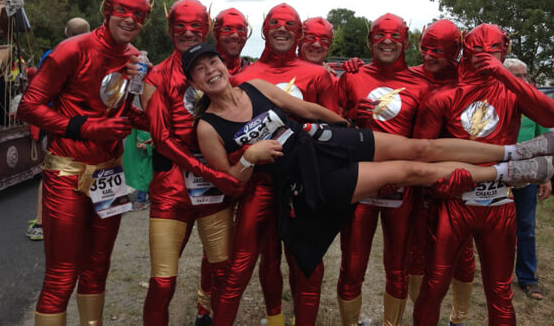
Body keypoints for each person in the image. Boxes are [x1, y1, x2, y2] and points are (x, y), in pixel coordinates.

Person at [183, 43, 553, 292]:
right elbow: (230, 183)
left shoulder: (255, 86)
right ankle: (510, 174)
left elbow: (307, 111)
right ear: (194, 81)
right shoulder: (208, 127)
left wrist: (343, 126)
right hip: (313, 179)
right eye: (200, 70)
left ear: (223, 64)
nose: (210, 70)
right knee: (407, 171)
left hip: (327, 140)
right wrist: (250, 156)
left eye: (212, 62)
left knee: (419, 148)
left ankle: (515, 151)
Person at [17, 0, 151, 326]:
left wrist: (155, 109)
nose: (131, 19)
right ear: (107, 10)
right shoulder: (71, 50)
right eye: (124, 10)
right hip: (67, 172)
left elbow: (123, 113)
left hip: (111, 174)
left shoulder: (134, 58)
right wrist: (87, 129)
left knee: (98, 269)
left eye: (139, 14)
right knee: (62, 275)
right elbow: (29, 107)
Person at [413, 23, 554, 325]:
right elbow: (421, 152)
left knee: (500, 292)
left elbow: (549, 116)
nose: (485, 56)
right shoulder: (443, 96)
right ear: (465, 49)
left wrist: (504, 75)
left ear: (505, 52)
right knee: (435, 285)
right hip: (452, 203)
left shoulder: (513, 93)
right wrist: (439, 186)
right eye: (477, 49)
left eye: (494, 51)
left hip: (498, 204)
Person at [221, 3, 337, 326]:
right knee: (254, 261)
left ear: (298, 32)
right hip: (259, 184)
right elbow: (232, 136)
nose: (282, 28)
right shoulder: (243, 77)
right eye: (275, 23)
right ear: (264, 29)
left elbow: (334, 133)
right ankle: (274, 319)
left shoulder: (318, 75)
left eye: (289, 24)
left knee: (306, 264)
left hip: (302, 182)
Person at [141, 0, 244, 326]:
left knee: (222, 272)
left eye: (195, 26)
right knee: (162, 281)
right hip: (172, 189)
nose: (187, 32)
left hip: (213, 191)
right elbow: (161, 138)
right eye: (180, 26)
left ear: (207, 28)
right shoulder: (157, 76)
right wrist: (209, 172)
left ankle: (208, 313)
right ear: (170, 28)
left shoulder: (222, 72)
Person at [336, 13, 431, 325]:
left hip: (403, 188)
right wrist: (350, 114)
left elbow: (425, 139)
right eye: (380, 35)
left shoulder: (421, 83)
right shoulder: (351, 77)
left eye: (394, 36)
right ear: (370, 40)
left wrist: (400, 174)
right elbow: (332, 132)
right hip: (360, 183)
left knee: (398, 266)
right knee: (352, 266)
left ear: (405, 41)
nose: (387, 41)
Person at [409, 19, 476, 326]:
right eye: (424, 48)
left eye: (437, 49)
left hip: (461, 179)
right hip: (418, 176)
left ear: (455, 50)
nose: (427, 55)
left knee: (463, 254)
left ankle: (459, 319)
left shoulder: (472, 78)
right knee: (416, 252)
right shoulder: (411, 77)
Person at [195, 7, 252, 325]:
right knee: (212, 249)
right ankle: (205, 307)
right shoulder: (196, 70)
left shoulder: (253, 74)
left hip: (249, 173)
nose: (234, 35)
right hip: (205, 173)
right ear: (215, 33)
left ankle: (218, 307)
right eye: (227, 29)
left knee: (237, 250)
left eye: (240, 30)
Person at [26, 17, 91, 241]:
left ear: (65, 32)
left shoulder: (53, 55)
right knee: (88, 169)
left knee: (52, 172)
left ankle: (41, 223)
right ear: (89, 32)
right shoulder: (96, 56)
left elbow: (37, 94)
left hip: (59, 125)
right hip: (88, 128)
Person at [504, 57, 552, 301]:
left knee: (526, 227)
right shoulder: (492, 102)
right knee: (496, 228)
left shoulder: (534, 104)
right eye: (515, 75)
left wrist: (546, 177)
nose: (522, 81)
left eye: (524, 76)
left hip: (528, 176)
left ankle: (528, 279)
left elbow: (544, 143)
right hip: (496, 175)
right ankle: (498, 276)